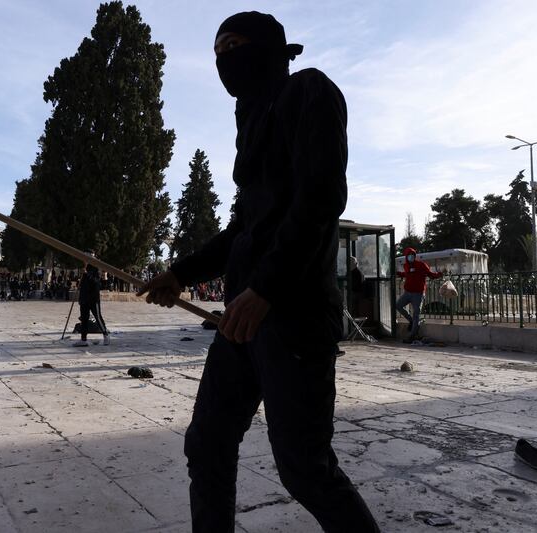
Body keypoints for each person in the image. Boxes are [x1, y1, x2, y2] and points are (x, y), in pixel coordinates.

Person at [139, 12, 378, 532]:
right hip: (243, 321)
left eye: (234, 44)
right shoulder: (251, 118)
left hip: (292, 317)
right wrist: (179, 273)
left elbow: (319, 200)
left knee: (305, 470)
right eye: (217, 50)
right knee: (207, 444)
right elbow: (244, 229)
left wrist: (265, 288)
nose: (224, 57)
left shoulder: (308, 92)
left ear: (271, 50)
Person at [396, 247, 443, 340]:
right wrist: (399, 274)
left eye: (413, 255)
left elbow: (431, 275)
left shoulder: (421, 265)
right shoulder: (406, 266)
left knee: (416, 313)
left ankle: (412, 335)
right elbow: (407, 274)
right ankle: (411, 321)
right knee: (398, 305)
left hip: (418, 293)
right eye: (409, 255)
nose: (411, 256)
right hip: (407, 292)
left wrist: (439, 274)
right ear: (406, 256)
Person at [73, 253, 110, 348]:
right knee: (84, 319)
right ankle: (83, 339)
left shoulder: (95, 269)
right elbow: (82, 285)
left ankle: (106, 335)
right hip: (84, 298)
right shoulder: (83, 268)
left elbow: (96, 283)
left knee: (98, 317)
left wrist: (86, 274)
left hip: (93, 299)